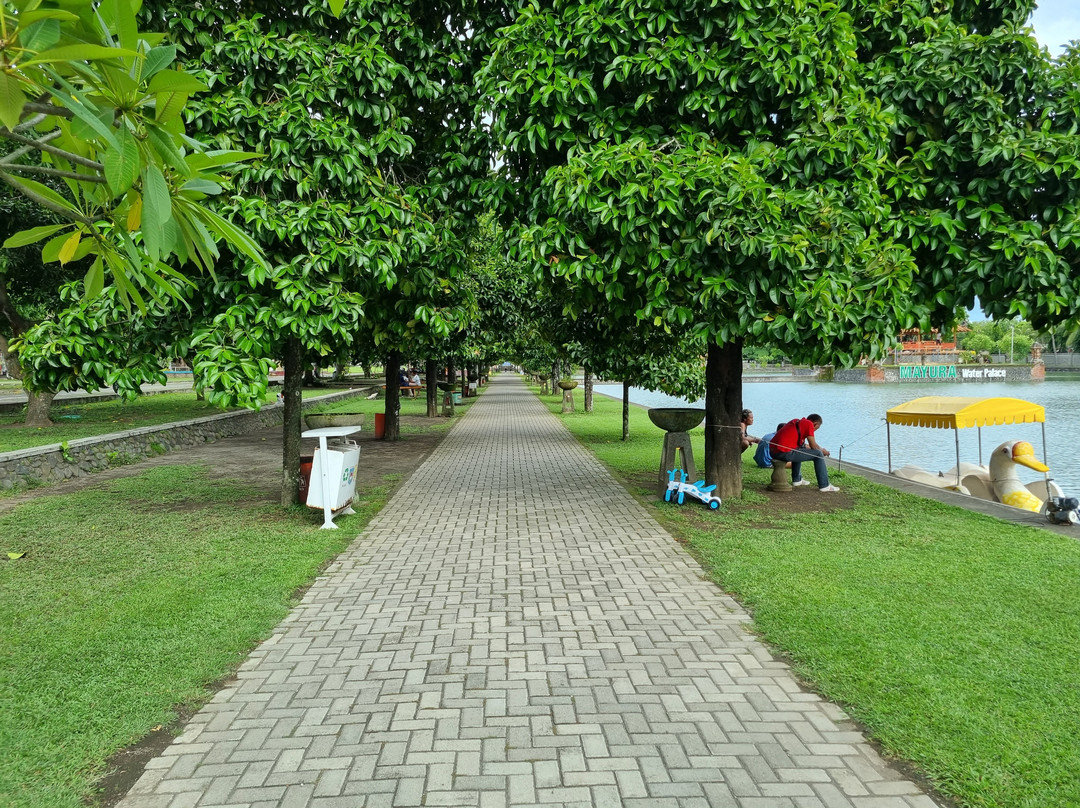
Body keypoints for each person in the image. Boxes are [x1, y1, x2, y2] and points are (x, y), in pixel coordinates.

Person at [768, 413, 839, 492]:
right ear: (815, 424)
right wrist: (822, 451)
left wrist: (820, 449)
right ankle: (824, 486)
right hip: (782, 452)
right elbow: (813, 446)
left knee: (800, 448)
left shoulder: (798, 422)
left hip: (773, 451)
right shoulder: (809, 424)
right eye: (816, 429)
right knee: (818, 454)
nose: (814, 431)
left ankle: (797, 480)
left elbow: (803, 445)